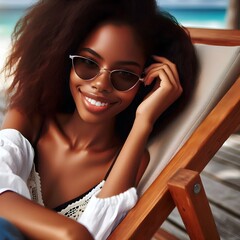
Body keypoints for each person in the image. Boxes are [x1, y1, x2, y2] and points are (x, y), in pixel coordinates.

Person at [0, 0, 198, 239]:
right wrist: (71, 231)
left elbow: (99, 232)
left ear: (145, 83)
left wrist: (144, 120)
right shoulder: (30, 118)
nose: (101, 85)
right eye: (87, 63)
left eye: (125, 75)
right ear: (65, 60)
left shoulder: (130, 159)